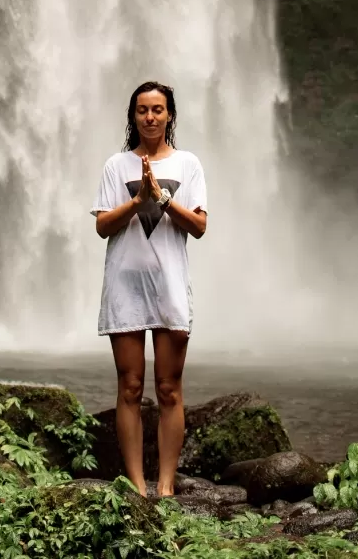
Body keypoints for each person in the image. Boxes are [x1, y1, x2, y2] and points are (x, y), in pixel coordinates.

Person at [91, 80, 208, 497]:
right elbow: (103, 226)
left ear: (170, 115)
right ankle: (138, 486)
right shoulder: (116, 166)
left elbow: (199, 227)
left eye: (158, 109)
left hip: (170, 285)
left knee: (169, 389)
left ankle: (166, 485)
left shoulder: (188, 165)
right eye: (142, 110)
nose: (150, 117)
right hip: (125, 285)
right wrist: (137, 200)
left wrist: (161, 198)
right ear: (133, 116)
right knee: (130, 387)